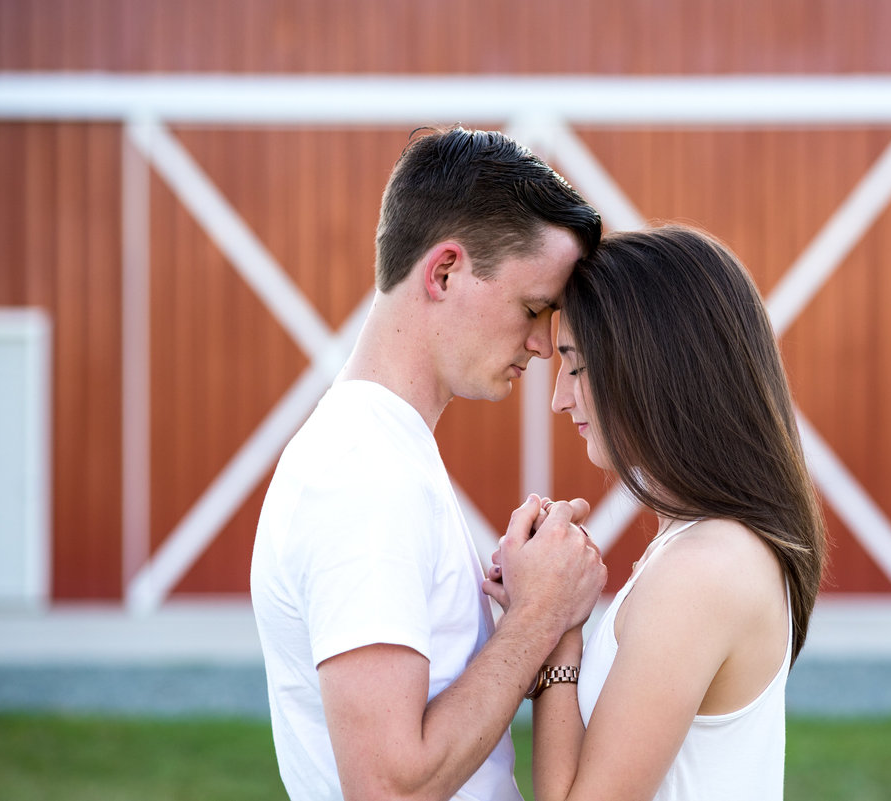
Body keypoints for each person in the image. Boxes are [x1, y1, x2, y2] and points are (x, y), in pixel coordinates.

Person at [250, 125, 608, 801]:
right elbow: (389, 786)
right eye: (533, 309)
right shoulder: (361, 473)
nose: (541, 344)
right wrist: (540, 612)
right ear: (444, 272)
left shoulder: (386, 453)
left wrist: (525, 615)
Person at [485, 224, 827, 801]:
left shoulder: (704, 568)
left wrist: (556, 629)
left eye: (576, 366)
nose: (559, 397)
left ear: (655, 363)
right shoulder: (697, 547)